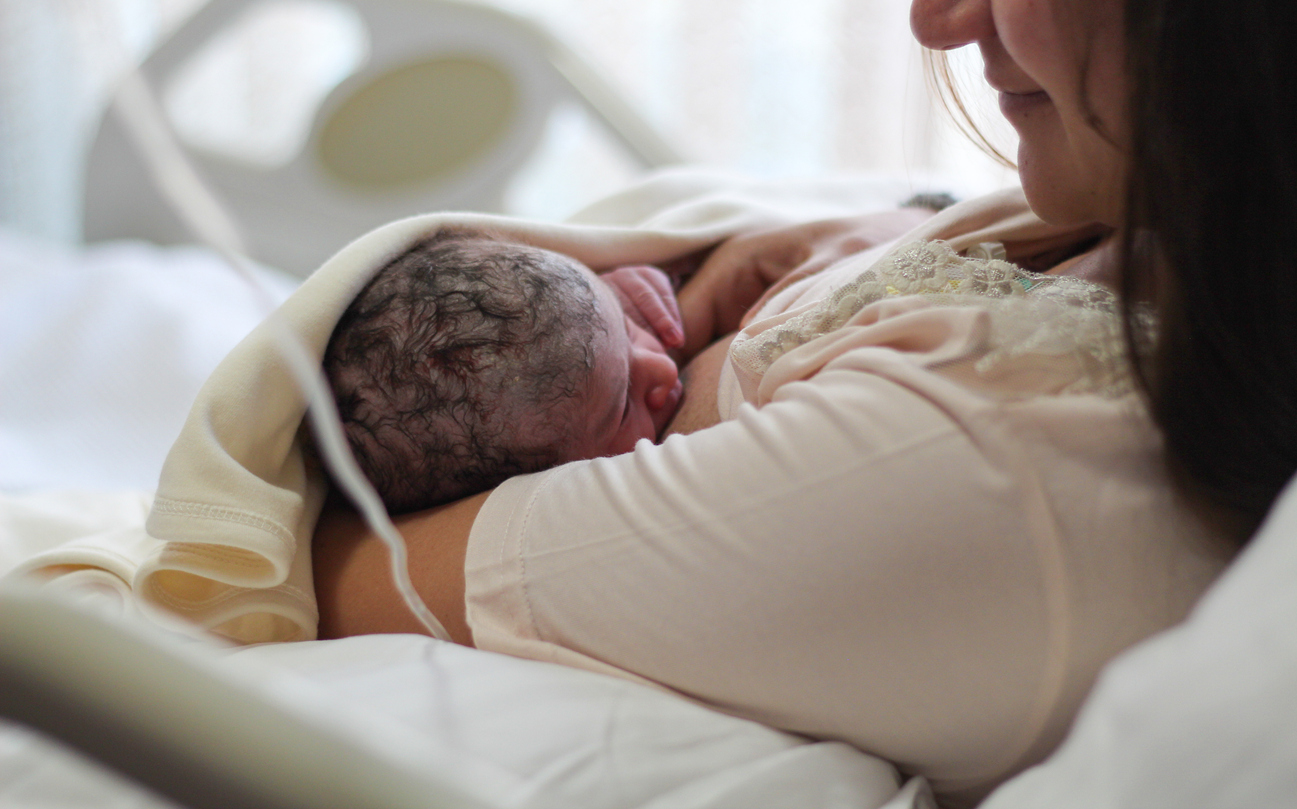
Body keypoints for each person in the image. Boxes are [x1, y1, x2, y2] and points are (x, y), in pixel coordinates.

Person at [310, 0, 1297, 805]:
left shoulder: (984, 463)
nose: (937, 21)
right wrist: (886, 230)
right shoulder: (1154, 226)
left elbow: (332, 567)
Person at [321, 228, 684, 514]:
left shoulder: (587, 345)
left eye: (627, 326)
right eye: (620, 412)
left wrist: (641, 289)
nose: (664, 366)